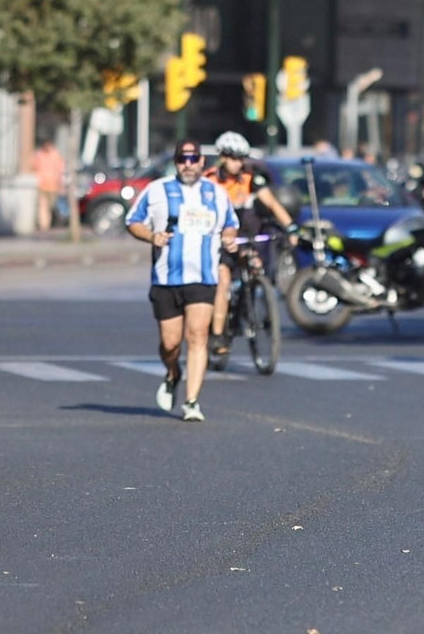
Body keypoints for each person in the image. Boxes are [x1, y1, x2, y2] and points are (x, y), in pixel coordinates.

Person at [125, 140, 237, 422]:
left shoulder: (216, 193)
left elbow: (230, 224)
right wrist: (152, 236)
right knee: (170, 343)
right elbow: (132, 221)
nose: (188, 165)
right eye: (182, 159)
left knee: (198, 336)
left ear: (202, 162)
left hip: (203, 277)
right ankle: (173, 373)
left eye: (193, 159)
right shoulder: (157, 190)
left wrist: (229, 238)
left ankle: (192, 401)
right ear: (175, 163)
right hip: (166, 278)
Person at [204, 131, 296, 357]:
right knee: (223, 281)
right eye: (234, 158)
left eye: (241, 158)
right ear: (223, 157)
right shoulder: (210, 180)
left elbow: (272, 203)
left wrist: (291, 227)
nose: (238, 163)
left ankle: (251, 303)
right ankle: (218, 334)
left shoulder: (251, 178)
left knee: (257, 268)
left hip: (246, 237)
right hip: (220, 239)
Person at [32, 137, 65, 232]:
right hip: (42, 185)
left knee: (50, 206)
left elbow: (61, 170)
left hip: (53, 186)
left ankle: (47, 223)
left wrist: (60, 184)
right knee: (43, 206)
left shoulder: (56, 155)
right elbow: (34, 166)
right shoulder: (39, 155)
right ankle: (44, 226)